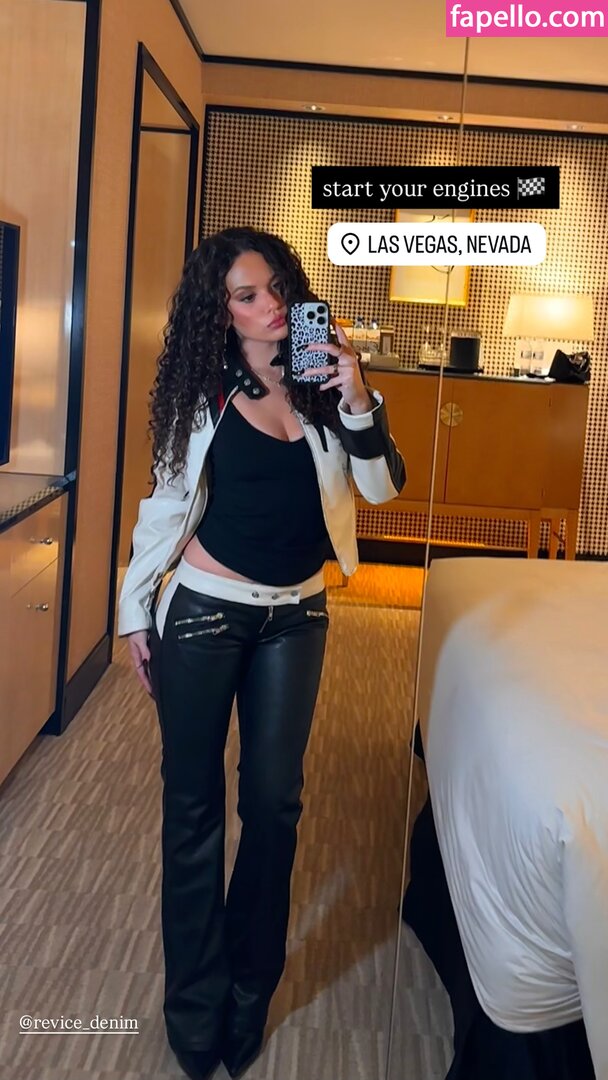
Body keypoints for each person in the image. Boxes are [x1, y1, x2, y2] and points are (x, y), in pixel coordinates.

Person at [117, 226, 406, 1080]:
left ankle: (250, 991)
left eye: (278, 287)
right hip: (205, 615)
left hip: (296, 618)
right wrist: (135, 612)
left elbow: (381, 487)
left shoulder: (325, 380)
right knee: (193, 811)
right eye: (248, 295)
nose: (272, 306)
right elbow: (166, 503)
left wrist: (357, 395)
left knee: (275, 808)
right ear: (222, 310)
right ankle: (194, 1007)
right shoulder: (201, 390)